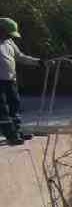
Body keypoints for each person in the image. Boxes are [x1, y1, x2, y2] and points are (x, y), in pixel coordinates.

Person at [0, 17, 43, 146]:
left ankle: (17, 132)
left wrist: (38, 62)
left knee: (14, 106)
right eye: (7, 33)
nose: (9, 36)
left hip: (10, 80)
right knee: (3, 110)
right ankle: (10, 136)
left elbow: (20, 57)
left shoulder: (9, 42)